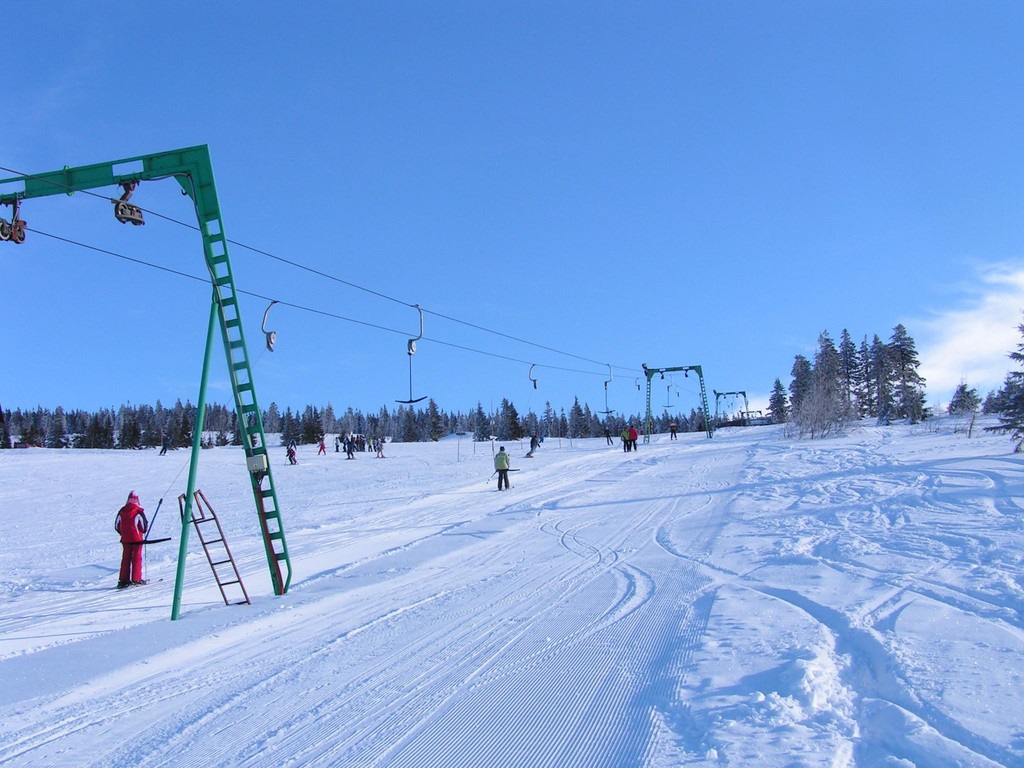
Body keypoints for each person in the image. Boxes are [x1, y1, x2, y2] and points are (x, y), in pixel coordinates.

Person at [115, 491, 149, 588]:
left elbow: (117, 526)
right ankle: (136, 579)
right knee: (137, 558)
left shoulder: (122, 511)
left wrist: (124, 534)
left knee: (125, 559)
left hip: (125, 539)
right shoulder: (138, 511)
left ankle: (123, 580)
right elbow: (143, 526)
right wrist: (141, 532)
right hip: (137, 539)